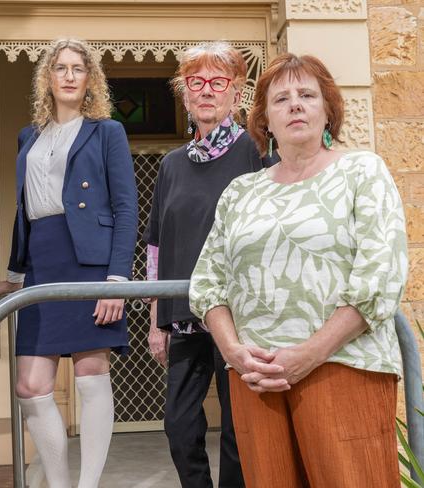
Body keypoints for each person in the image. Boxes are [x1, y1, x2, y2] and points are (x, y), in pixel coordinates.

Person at [189, 53, 408, 488]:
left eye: (307, 95)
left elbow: (379, 276)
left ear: (328, 108)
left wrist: (308, 354)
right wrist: (234, 353)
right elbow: (207, 283)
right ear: (264, 119)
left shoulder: (362, 171)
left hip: (344, 365)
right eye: (281, 98)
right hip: (256, 379)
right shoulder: (240, 192)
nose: (295, 104)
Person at [0, 38, 137, 488]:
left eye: (78, 68)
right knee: (30, 386)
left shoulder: (107, 131)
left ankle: (87, 484)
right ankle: (58, 482)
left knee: (91, 372)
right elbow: (25, 210)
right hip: (41, 262)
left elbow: (126, 206)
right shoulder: (27, 136)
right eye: (60, 68)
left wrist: (117, 279)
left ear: (90, 79)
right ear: (47, 79)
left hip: (91, 262)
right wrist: (15, 274)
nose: (69, 75)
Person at [144, 41, 269, 488]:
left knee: (238, 429)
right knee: (179, 425)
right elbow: (156, 244)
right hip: (183, 314)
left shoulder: (256, 154)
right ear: (184, 93)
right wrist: (157, 319)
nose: (206, 91)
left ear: (237, 93)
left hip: (238, 315)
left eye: (218, 82)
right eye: (196, 83)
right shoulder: (172, 165)